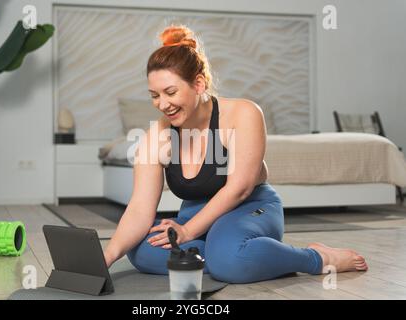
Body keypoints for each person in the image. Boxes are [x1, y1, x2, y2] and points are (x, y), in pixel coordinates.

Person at [104, 25, 368, 283]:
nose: (163, 104)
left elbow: (240, 189)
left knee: (227, 260)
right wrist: (107, 257)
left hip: (249, 208)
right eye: (154, 96)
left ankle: (316, 257)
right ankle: (235, 255)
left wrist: (186, 232)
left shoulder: (242, 114)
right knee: (140, 249)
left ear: (198, 84)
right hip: (195, 215)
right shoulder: (157, 135)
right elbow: (139, 208)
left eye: (170, 92)